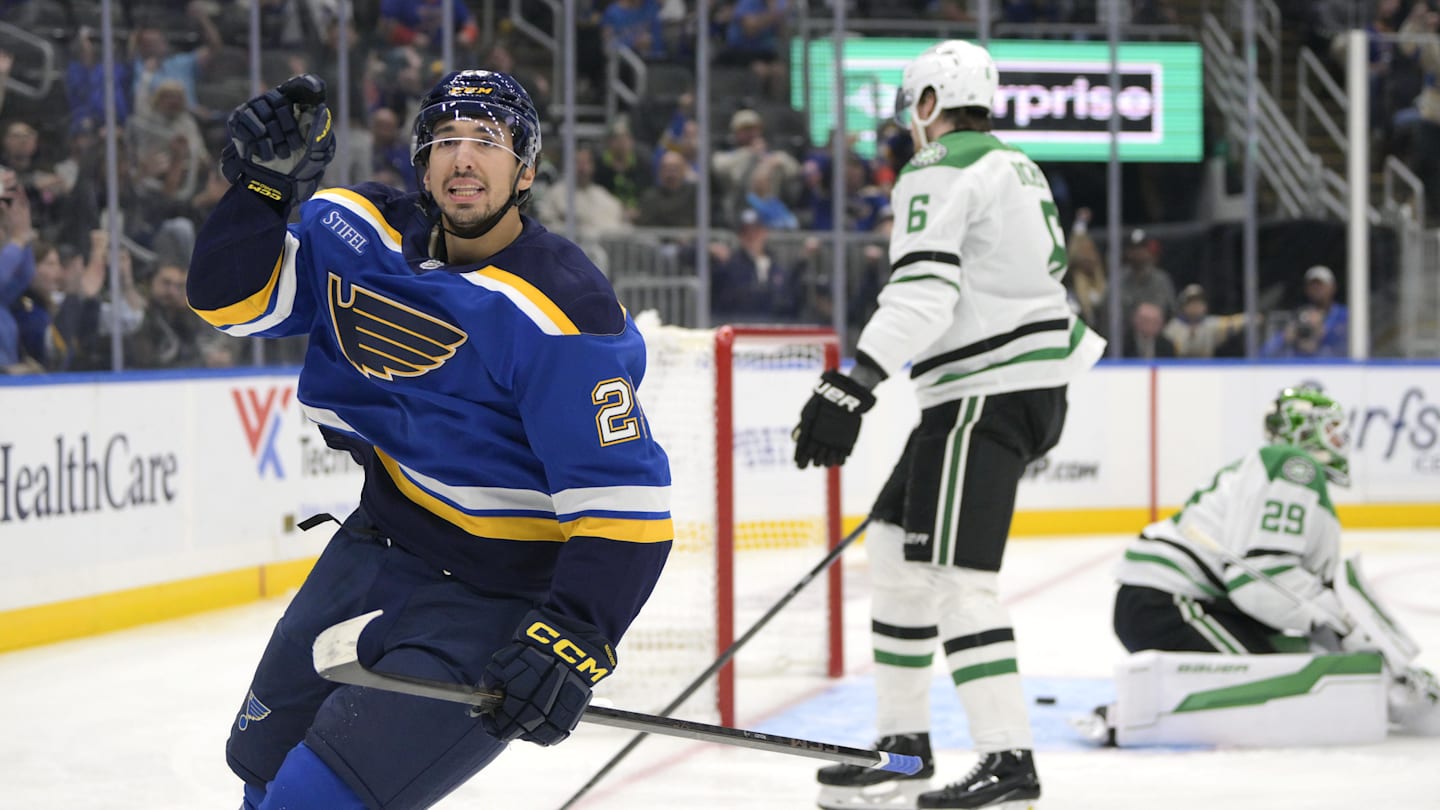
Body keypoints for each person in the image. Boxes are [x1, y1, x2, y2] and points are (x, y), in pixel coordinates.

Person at [188, 69, 673, 810]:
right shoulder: (359, 233)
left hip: (494, 596)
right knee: (258, 771)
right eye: (446, 139)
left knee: (312, 802)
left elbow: (626, 508)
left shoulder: (562, 311)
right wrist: (258, 192)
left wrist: (573, 637)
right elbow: (231, 304)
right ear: (421, 161)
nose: (464, 157)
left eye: (488, 140)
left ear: (527, 169)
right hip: (378, 545)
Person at [791, 40, 1106, 810]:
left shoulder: (939, 168)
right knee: (898, 548)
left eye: (912, 109)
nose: (909, 127)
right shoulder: (1016, 164)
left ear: (931, 101)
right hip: (998, 390)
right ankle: (903, 745)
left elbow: (925, 292)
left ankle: (1008, 759)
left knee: (957, 581)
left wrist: (851, 384)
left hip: (985, 394)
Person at [1104, 387, 1440, 742]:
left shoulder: (1279, 470)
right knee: (1284, 691)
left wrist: (1356, 638)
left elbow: (1274, 578)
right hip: (1169, 603)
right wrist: (1339, 621)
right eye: (1332, 429)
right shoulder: (1292, 466)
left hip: (1180, 603)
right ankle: (1127, 718)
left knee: (1304, 666)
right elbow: (1260, 577)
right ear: (1305, 430)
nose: (1341, 440)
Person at [1261, 265, 1348, 358]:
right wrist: (1285, 338)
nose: (1317, 289)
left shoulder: (1345, 316)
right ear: (1306, 289)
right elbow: (1263, 355)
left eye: (1321, 285)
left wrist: (1326, 335)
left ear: (1332, 287)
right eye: (1312, 286)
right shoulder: (1296, 315)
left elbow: (1352, 350)